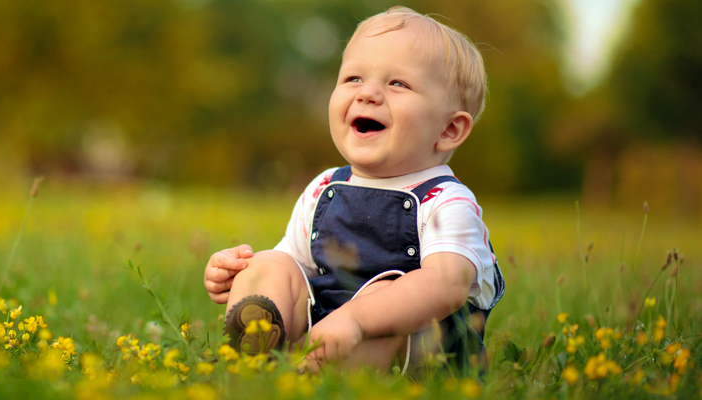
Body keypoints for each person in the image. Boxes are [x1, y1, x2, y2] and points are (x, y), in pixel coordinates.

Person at [202, 6, 505, 373]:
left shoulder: (446, 202)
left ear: (448, 130)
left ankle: (307, 376)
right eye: (353, 79)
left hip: (419, 357)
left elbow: (447, 285)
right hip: (328, 332)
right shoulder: (324, 187)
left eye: (398, 84)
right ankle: (257, 348)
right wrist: (240, 274)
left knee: (390, 289)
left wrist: (358, 319)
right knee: (271, 263)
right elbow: (298, 268)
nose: (368, 94)